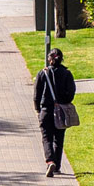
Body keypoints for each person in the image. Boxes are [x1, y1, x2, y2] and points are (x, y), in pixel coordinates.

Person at [33, 48, 75, 177]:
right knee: (59, 138)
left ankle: (50, 161)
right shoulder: (67, 74)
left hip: (46, 110)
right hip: (61, 111)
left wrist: (38, 109)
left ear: (49, 59)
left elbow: (36, 95)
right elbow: (71, 93)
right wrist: (63, 102)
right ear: (61, 59)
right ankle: (57, 166)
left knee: (46, 138)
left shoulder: (42, 74)